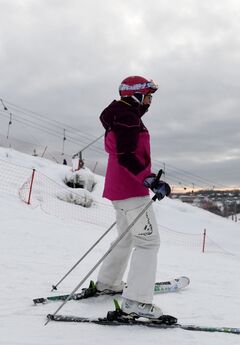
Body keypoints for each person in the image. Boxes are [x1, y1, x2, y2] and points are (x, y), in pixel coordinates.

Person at [96, 76, 171, 319]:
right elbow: (125, 155)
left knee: (125, 239)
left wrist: (147, 178)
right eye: (148, 95)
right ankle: (137, 301)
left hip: (119, 190)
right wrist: (149, 179)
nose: (150, 101)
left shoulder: (121, 117)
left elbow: (122, 152)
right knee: (148, 242)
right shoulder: (128, 119)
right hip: (131, 191)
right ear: (135, 95)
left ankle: (108, 283)